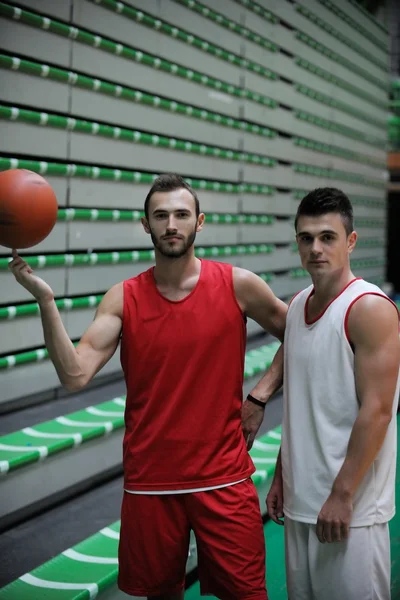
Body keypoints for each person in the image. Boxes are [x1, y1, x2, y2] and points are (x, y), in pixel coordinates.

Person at [9, 173, 287, 600]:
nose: (171, 224)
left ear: (200, 222)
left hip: (223, 477)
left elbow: (305, 335)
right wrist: (46, 301)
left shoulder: (238, 285)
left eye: (181, 214)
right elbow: (74, 374)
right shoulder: (123, 297)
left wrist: (260, 394)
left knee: (247, 595)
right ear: (146, 225)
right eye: (161, 216)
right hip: (150, 483)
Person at [259, 187, 400, 600]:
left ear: (351, 241)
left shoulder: (369, 309)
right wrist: (283, 476)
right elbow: (303, 403)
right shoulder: (298, 304)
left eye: (327, 237)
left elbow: (377, 412)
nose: (315, 248)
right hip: (302, 503)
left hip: (349, 511)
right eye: (306, 238)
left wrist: (342, 495)